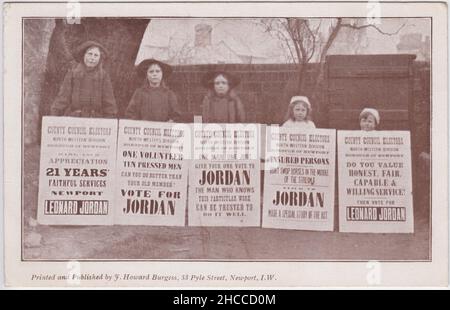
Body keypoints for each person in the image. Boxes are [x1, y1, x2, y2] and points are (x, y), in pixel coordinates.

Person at [50, 40, 117, 118]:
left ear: (100, 58)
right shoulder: (73, 74)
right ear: (83, 55)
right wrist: (53, 117)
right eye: (90, 54)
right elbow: (62, 98)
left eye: (96, 55)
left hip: (96, 120)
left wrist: (109, 121)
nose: (92, 58)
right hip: (75, 119)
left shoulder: (103, 76)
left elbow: (109, 104)